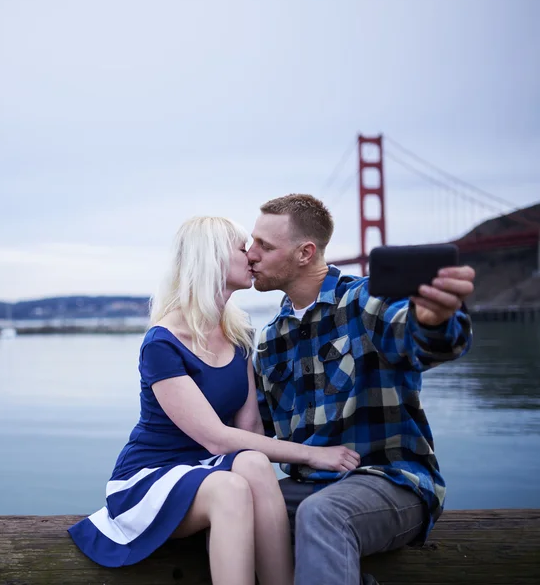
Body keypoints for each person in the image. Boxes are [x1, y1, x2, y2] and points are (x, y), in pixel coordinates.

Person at [69, 216, 360, 585]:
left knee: (254, 462)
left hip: (207, 468)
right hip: (150, 477)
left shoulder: (239, 335)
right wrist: (312, 454)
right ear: (213, 260)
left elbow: (250, 429)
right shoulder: (163, 342)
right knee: (230, 488)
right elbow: (216, 438)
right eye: (243, 248)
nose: (252, 256)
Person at [247, 194, 475, 585]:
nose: (250, 254)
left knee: (324, 513)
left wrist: (433, 320)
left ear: (305, 252)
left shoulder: (366, 300)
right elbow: (254, 433)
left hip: (392, 482)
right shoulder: (269, 340)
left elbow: (419, 337)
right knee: (233, 508)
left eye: (264, 246)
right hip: (311, 488)